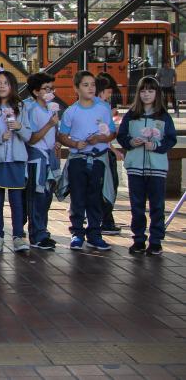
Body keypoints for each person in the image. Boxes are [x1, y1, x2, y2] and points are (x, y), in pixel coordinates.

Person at [117, 76, 176, 256]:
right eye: (143, 91)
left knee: (157, 206)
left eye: (150, 91)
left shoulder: (163, 116)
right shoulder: (131, 115)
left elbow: (171, 139)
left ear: (157, 93)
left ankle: (156, 241)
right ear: (138, 93)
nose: (146, 94)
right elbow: (121, 136)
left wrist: (156, 146)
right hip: (135, 167)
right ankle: (139, 240)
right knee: (137, 206)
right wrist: (131, 142)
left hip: (157, 168)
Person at [58, 70, 115, 252]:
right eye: (85, 85)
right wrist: (75, 143)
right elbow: (62, 136)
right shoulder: (71, 111)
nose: (90, 88)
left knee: (95, 197)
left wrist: (99, 138)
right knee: (77, 197)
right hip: (78, 159)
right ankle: (77, 233)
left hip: (98, 159)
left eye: (92, 85)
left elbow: (112, 133)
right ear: (76, 88)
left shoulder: (103, 108)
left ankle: (94, 234)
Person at [0, 70, 32, 254]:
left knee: (16, 199)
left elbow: (28, 135)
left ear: (12, 86)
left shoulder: (21, 107)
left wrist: (19, 127)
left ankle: (18, 236)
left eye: (6, 83)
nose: (1, 86)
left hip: (16, 159)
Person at [24, 72, 60, 251]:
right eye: (46, 88)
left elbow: (54, 133)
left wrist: (57, 141)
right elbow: (31, 138)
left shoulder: (51, 109)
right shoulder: (31, 109)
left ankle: (43, 231)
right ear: (36, 91)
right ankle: (36, 234)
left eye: (51, 88)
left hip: (49, 156)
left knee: (47, 196)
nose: (50, 92)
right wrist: (49, 125)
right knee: (36, 196)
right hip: (36, 157)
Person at [96, 75, 122, 236]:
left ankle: (101, 220)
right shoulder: (103, 107)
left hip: (100, 152)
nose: (110, 95)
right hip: (104, 153)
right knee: (109, 186)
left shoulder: (92, 106)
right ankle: (106, 221)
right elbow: (107, 135)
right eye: (108, 92)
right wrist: (114, 149)